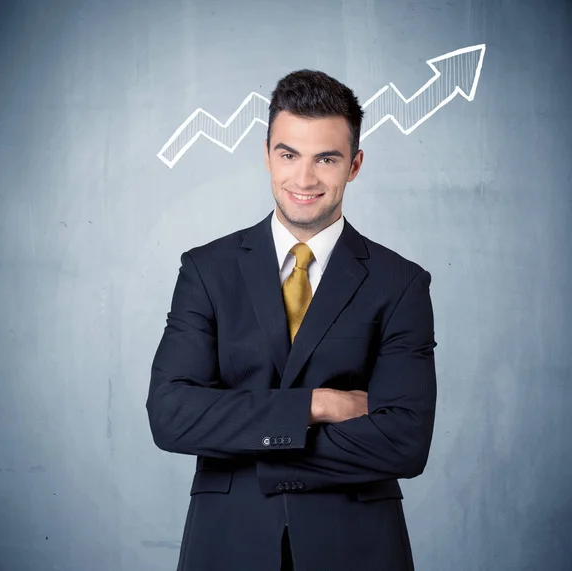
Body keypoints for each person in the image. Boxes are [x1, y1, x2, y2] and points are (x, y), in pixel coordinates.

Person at [146, 69, 437, 571]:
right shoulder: (206, 270)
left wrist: (246, 437)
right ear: (266, 156)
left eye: (326, 158)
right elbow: (171, 415)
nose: (305, 179)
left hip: (357, 547)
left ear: (355, 165)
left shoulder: (401, 282)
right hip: (228, 544)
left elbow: (404, 442)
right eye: (289, 155)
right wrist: (317, 404)